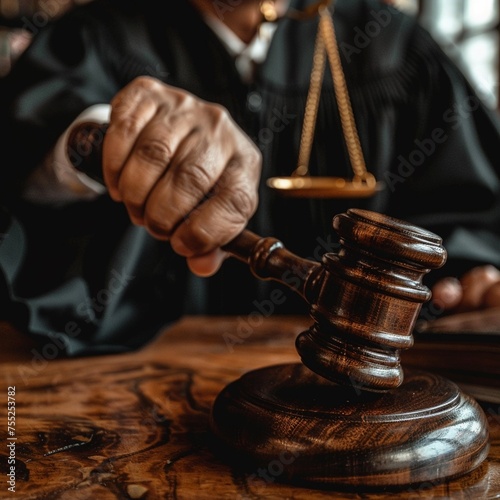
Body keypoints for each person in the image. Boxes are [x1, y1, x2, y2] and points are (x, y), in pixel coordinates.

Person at [0, 0, 499, 355]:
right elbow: (25, 158)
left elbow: (469, 215)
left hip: (348, 402)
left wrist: (464, 284)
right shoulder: (95, 35)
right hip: (141, 383)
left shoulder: (393, 46)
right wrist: (106, 137)